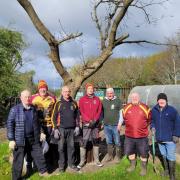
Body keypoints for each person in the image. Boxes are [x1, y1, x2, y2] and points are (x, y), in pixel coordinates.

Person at [7, 90, 49, 180]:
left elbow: (38, 123)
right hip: (20, 139)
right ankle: (16, 178)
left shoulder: (33, 108)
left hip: (33, 138)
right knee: (18, 161)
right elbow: (10, 124)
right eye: (25, 97)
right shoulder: (14, 109)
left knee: (39, 155)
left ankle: (43, 172)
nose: (27, 98)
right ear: (21, 98)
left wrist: (41, 132)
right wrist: (11, 139)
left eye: (29, 97)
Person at [119, 92, 151, 176]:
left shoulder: (145, 107)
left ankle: (144, 168)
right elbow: (124, 119)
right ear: (130, 98)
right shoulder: (126, 108)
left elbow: (148, 120)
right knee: (130, 152)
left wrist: (141, 128)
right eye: (133, 97)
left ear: (139, 97)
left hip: (142, 136)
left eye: (136, 97)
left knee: (143, 153)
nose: (134, 98)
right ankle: (133, 166)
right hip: (129, 136)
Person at [151, 93, 180, 180]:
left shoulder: (172, 110)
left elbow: (178, 123)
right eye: (160, 100)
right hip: (159, 139)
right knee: (163, 155)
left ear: (166, 101)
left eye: (163, 100)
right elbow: (152, 121)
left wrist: (176, 134)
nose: (161, 101)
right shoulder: (154, 110)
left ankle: (172, 175)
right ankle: (166, 171)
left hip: (170, 139)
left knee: (170, 156)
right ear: (157, 101)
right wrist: (152, 127)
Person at [52, 86, 80, 172]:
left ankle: (71, 164)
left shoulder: (74, 103)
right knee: (61, 148)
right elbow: (54, 116)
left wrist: (78, 126)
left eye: (68, 91)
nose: (67, 93)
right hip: (61, 129)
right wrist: (55, 128)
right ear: (62, 92)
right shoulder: (58, 103)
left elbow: (78, 116)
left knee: (71, 147)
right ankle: (61, 166)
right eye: (65, 91)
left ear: (70, 92)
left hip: (72, 129)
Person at [30, 80, 57, 170]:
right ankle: (36, 164)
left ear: (46, 89)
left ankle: (48, 163)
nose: (43, 89)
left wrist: (55, 125)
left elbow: (55, 112)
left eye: (44, 88)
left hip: (49, 126)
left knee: (49, 144)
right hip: (37, 126)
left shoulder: (52, 98)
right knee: (37, 145)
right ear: (38, 89)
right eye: (41, 88)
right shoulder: (33, 98)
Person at [77, 83, 103, 169]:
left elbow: (99, 111)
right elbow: (81, 111)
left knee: (95, 141)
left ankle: (97, 160)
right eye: (89, 89)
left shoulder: (98, 99)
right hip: (86, 125)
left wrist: (95, 120)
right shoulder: (82, 99)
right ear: (86, 90)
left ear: (93, 90)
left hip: (95, 124)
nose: (91, 90)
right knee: (84, 142)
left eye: (92, 89)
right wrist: (88, 120)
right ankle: (81, 162)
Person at [102, 88, 122, 162]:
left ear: (113, 93)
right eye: (108, 93)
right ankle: (110, 156)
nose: (110, 94)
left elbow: (121, 113)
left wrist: (120, 124)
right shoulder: (104, 101)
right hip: (106, 125)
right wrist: (102, 122)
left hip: (115, 125)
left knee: (117, 141)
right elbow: (101, 112)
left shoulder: (118, 101)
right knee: (108, 141)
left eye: (111, 93)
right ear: (106, 93)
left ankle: (118, 157)